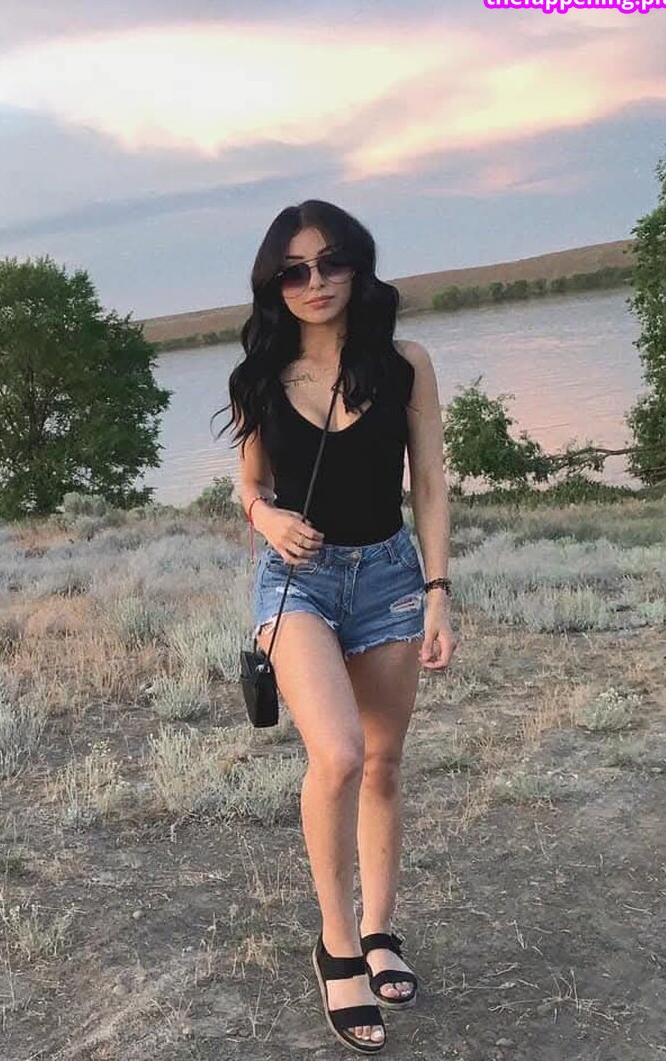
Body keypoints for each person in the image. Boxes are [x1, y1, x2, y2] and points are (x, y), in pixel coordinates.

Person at [216, 200, 457, 1053]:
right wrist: (266, 517)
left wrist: (437, 589)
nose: (314, 282)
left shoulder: (405, 364)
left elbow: (430, 481)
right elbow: (249, 483)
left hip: (389, 576)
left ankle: (381, 928)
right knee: (342, 753)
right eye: (294, 270)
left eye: (330, 263)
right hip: (298, 585)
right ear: (274, 283)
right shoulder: (260, 377)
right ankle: (338, 942)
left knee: (384, 761)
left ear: (357, 264)